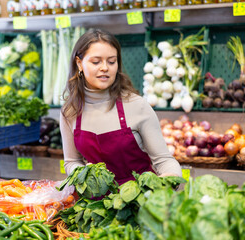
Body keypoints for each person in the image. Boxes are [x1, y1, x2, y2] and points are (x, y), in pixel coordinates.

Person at [60, 29, 182, 185]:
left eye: (111, 61)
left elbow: (164, 159)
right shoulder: (70, 111)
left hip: (138, 199)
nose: (105, 67)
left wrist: (170, 178)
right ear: (79, 64)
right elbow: (71, 161)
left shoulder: (136, 105)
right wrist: (83, 173)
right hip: (95, 205)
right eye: (96, 62)